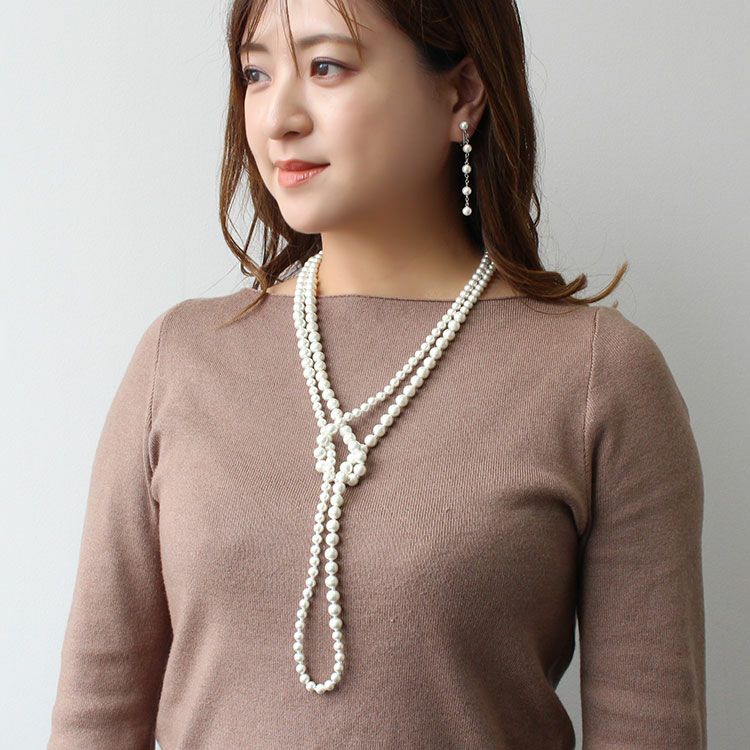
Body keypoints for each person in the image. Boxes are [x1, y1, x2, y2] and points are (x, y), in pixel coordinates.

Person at [47, 0, 707, 748]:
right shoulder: (180, 357)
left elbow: (650, 729)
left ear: (461, 95)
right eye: (256, 75)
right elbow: (95, 720)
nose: (278, 118)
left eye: (326, 66)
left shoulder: (598, 378)